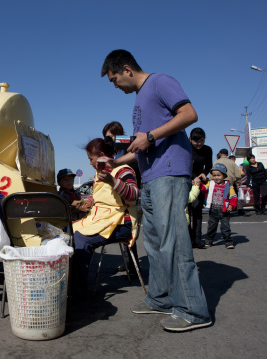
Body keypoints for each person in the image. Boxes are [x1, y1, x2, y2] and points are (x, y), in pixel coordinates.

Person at [101, 49, 211, 332]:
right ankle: (161, 298)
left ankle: (193, 310)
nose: (115, 86)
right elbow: (141, 148)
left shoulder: (160, 81)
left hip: (170, 171)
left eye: (114, 80)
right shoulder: (139, 99)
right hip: (150, 176)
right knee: (154, 242)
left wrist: (150, 135)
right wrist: (115, 162)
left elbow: (189, 114)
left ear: (127, 69)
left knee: (173, 240)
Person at [72, 137, 138, 297]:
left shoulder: (123, 170)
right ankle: (71, 280)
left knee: (81, 240)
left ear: (101, 155)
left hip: (121, 224)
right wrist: (88, 201)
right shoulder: (98, 174)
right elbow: (103, 197)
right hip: (101, 220)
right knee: (67, 231)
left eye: (91, 159)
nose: (89, 163)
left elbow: (134, 195)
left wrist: (113, 181)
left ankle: (78, 289)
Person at [102, 121, 141, 277]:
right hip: (117, 194)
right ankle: (128, 262)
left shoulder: (130, 147)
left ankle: (133, 265)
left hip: (131, 191)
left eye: (110, 137)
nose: (108, 140)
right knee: (123, 229)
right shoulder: (110, 151)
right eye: (106, 137)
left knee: (130, 229)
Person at [188, 128, 213, 247]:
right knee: (186, 211)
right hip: (187, 180)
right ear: (190, 139)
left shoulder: (207, 150)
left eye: (202, 141)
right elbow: (184, 165)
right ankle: (187, 238)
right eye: (196, 141)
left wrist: (204, 173)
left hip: (199, 183)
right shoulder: (186, 148)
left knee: (197, 210)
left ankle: (197, 238)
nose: (199, 144)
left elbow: (208, 166)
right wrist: (194, 177)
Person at [203, 163, 238, 248]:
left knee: (225, 228)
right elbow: (203, 189)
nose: (216, 177)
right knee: (211, 227)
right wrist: (198, 185)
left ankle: (228, 242)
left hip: (224, 210)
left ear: (224, 175)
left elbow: (233, 197)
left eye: (219, 175)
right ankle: (208, 241)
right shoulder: (210, 183)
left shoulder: (228, 186)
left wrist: (232, 205)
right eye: (214, 175)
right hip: (213, 209)